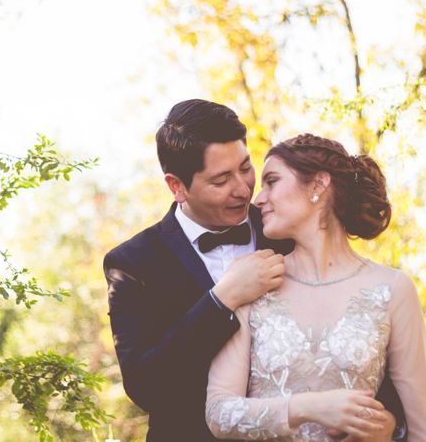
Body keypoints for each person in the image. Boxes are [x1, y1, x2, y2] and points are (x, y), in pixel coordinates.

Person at [104, 100, 404, 441]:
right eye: (221, 180)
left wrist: (392, 423)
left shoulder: (291, 230)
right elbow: (146, 387)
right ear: (177, 186)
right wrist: (221, 300)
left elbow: (366, 336)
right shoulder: (132, 265)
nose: (244, 189)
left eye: (245, 168)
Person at [205, 133, 424, 440]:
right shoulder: (252, 282)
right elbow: (219, 414)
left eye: (272, 181)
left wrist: (386, 432)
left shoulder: (392, 288)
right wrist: (310, 407)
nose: (258, 198)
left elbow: (420, 426)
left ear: (318, 185)